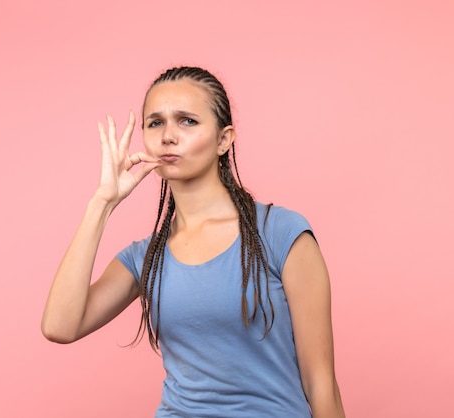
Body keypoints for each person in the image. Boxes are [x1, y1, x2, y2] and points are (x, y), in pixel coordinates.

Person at [41, 66, 346, 417]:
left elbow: (320, 382)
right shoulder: (146, 257)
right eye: (155, 123)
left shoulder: (281, 233)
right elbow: (60, 326)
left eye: (187, 121)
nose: (168, 135)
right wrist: (102, 204)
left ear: (224, 139)